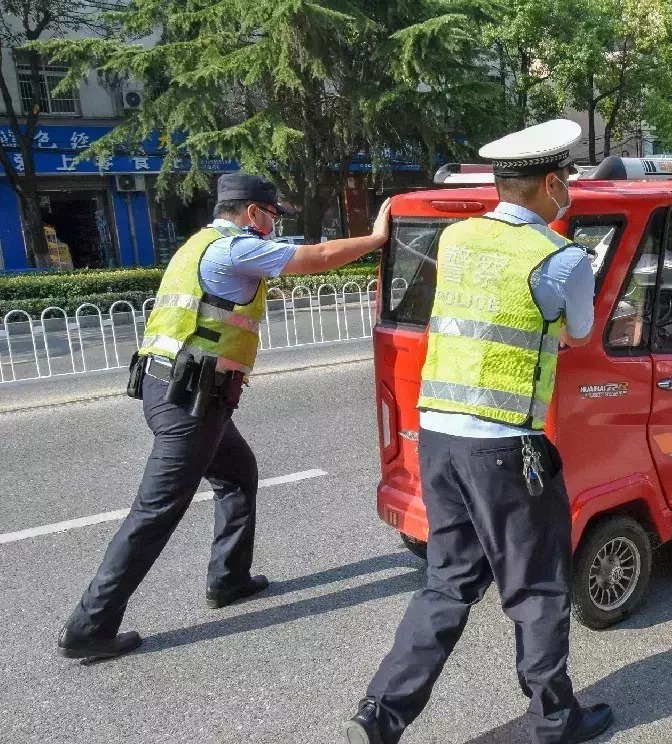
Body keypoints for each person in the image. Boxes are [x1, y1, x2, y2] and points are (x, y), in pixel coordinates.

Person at [344, 120, 612, 744]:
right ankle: (553, 720)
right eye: (566, 180)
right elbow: (577, 332)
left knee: (447, 583)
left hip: (438, 437)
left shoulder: (457, 237)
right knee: (537, 586)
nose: (569, 189)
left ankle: (379, 714)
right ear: (552, 183)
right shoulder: (561, 258)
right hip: (505, 445)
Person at [58, 173, 391, 660]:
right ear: (252, 212)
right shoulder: (235, 249)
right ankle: (89, 626)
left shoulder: (199, 243)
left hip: (176, 388)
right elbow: (316, 257)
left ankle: (229, 578)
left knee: (237, 474)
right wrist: (377, 238)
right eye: (272, 215)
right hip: (189, 399)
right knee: (155, 511)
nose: (275, 225)